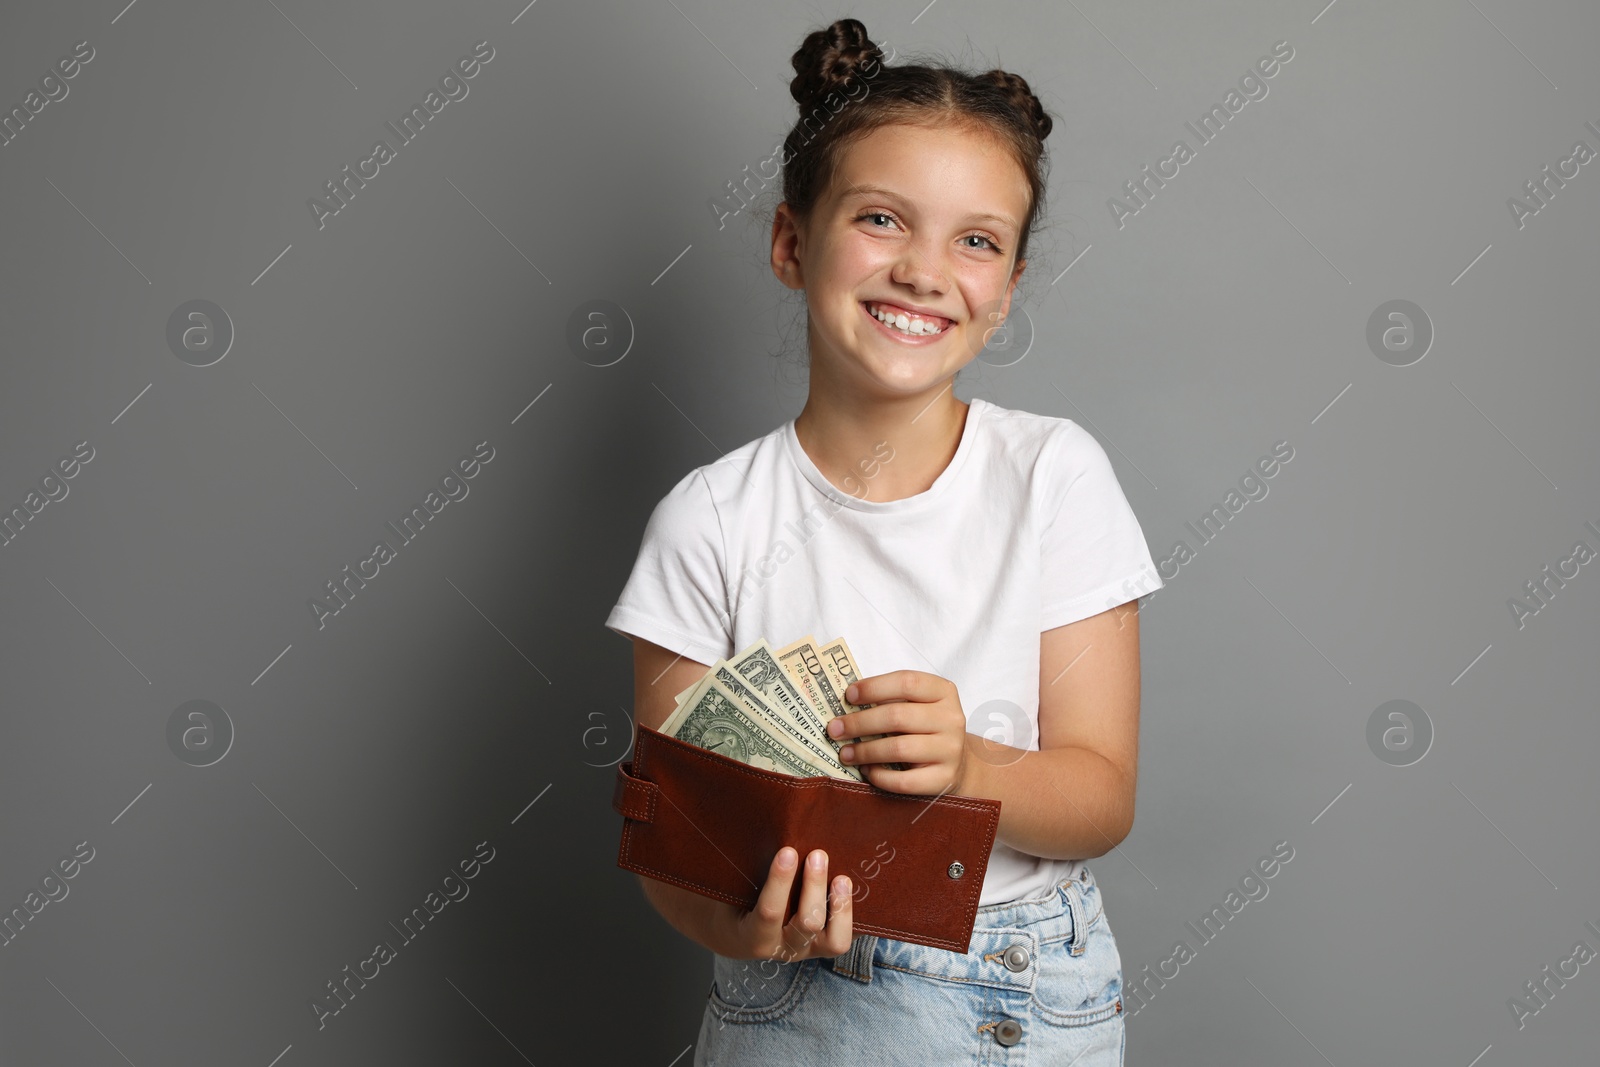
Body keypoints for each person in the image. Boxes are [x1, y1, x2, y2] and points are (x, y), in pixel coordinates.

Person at [605, 17, 1163, 1065]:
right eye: (879, 218)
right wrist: (749, 926)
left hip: (1022, 990)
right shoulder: (708, 520)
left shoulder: (1053, 475)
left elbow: (1100, 794)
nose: (923, 269)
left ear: (1004, 291)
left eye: (976, 239)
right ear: (789, 242)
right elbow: (672, 848)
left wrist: (968, 764)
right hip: (795, 994)